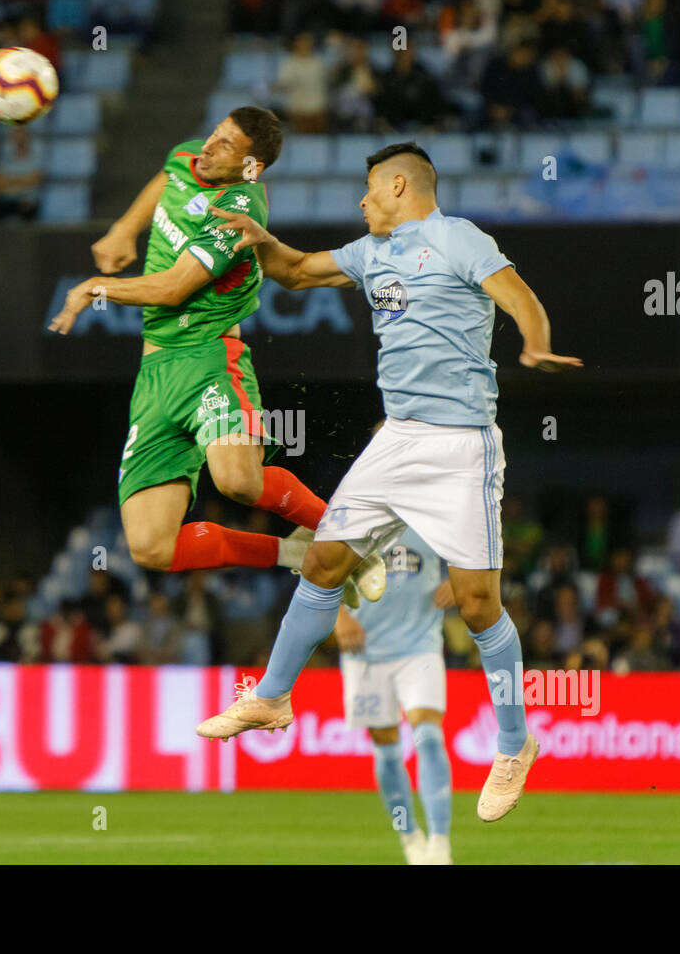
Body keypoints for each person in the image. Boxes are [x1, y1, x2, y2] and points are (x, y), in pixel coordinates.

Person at [200, 142, 582, 824]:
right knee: (321, 558)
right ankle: (273, 695)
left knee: (476, 604)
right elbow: (292, 271)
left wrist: (534, 340)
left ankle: (515, 745)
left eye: (369, 189)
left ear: (399, 185)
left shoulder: (459, 239)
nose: (361, 201)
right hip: (397, 436)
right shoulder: (368, 252)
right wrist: (260, 239)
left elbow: (518, 295)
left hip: (461, 444)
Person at [48, 107, 383, 602]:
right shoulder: (189, 155)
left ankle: (352, 537)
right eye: (215, 134)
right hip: (154, 373)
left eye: (226, 145)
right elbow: (167, 175)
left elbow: (172, 288)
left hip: (207, 357)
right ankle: (293, 553)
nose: (208, 147)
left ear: (252, 167)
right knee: (150, 547)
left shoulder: (239, 211)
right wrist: (124, 228)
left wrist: (99, 288)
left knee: (238, 482)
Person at [334, 522, 456, 864]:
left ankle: (440, 843)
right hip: (365, 652)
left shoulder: (432, 520)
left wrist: (460, 583)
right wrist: (338, 616)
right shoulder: (357, 518)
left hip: (421, 647)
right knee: (387, 751)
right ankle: (409, 835)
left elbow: (475, 557)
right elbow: (317, 570)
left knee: (429, 738)